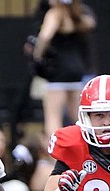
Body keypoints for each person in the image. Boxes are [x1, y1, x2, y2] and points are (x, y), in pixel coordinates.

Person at [26, 0, 96, 143]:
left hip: (58, 72)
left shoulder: (55, 13)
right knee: (78, 116)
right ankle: (90, 145)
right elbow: (91, 24)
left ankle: (56, 154)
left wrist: (37, 55)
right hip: (77, 71)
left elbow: (45, 36)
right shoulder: (78, 15)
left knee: (53, 117)